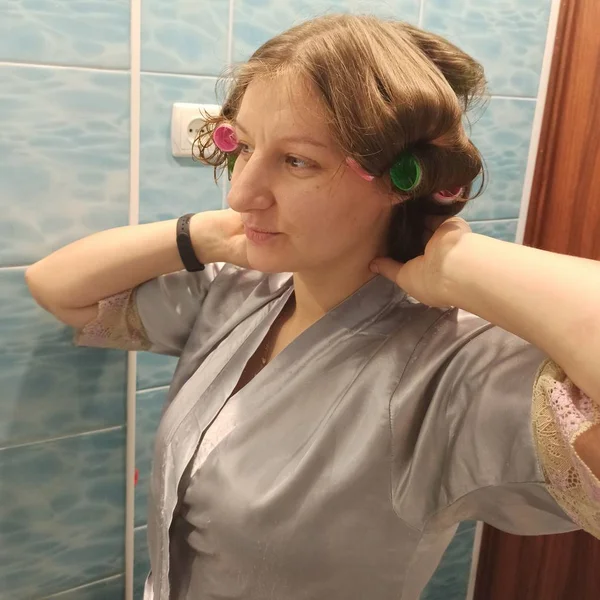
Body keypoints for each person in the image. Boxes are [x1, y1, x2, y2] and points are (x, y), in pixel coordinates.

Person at [26, 13, 599, 600]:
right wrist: (201, 235)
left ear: (402, 180)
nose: (240, 192)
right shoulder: (241, 290)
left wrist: (460, 260)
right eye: (244, 146)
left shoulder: (450, 371)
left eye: (298, 161)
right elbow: (58, 287)